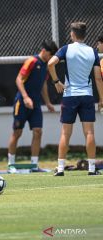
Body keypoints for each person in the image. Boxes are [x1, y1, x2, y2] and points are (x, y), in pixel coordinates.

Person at [48, 22, 103, 176]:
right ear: (84, 35)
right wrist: (102, 99)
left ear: (72, 34)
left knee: (66, 133)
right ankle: (92, 169)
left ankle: (60, 169)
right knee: (89, 133)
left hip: (70, 96)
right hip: (87, 96)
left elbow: (50, 63)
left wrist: (56, 82)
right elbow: (98, 78)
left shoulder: (66, 49)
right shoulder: (92, 51)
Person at [7, 40, 58, 170]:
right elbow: (18, 80)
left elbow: (44, 85)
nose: (52, 58)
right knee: (17, 133)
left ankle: (34, 164)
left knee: (38, 131)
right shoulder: (32, 61)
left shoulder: (46, 65)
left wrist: (47, 102)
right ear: (45, 51)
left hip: (35, 105)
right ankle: (11, 164)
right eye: (51, 54)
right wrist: (25, 97)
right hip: (22, 103)